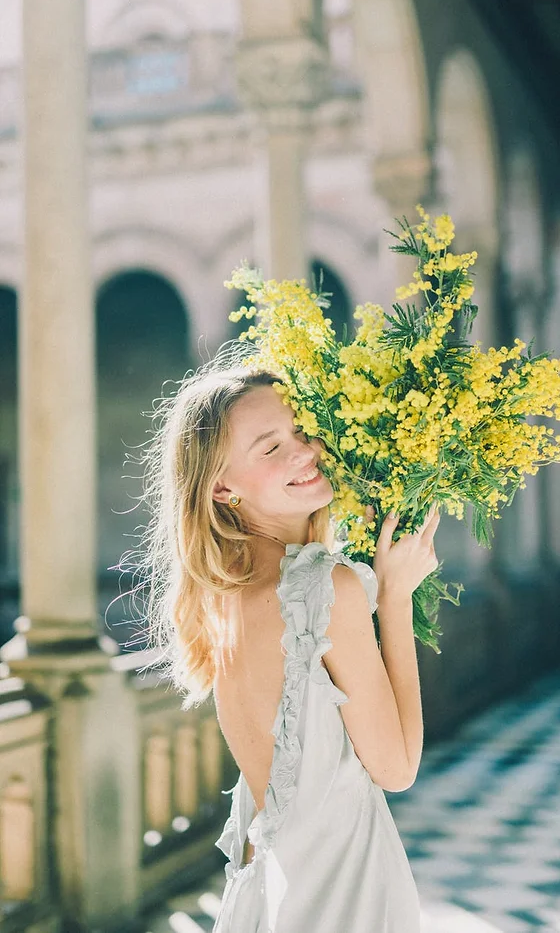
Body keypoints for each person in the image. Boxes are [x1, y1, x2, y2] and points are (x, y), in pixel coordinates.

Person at [140, 362, 440, 933]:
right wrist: (396, 594)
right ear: (222, 487)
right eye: (271, 447)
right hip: (345, 893)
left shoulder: (223, 603)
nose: (305, 452)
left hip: (270, 899)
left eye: (302, 431)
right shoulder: (327, 587)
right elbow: (397, 768)